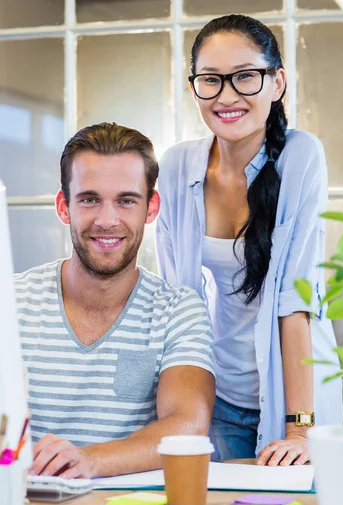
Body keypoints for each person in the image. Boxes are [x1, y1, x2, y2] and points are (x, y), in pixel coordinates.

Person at [156, 14, 343, 466]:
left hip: (296, 397)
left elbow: (294, 300)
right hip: (215, 395)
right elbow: (174, 302)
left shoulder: (300, 155)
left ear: (277, 82)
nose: (227, 96)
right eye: (211, 80)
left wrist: (299, 430)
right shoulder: (178, 165)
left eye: (245, 77)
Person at [16, 122, 215, 479]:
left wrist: (88, 461)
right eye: (90, 199)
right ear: (64, 207)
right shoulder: (11, 303)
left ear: (151, 208)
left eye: (126, 201)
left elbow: (187, 424)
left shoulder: (177, 311)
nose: (107, 221)